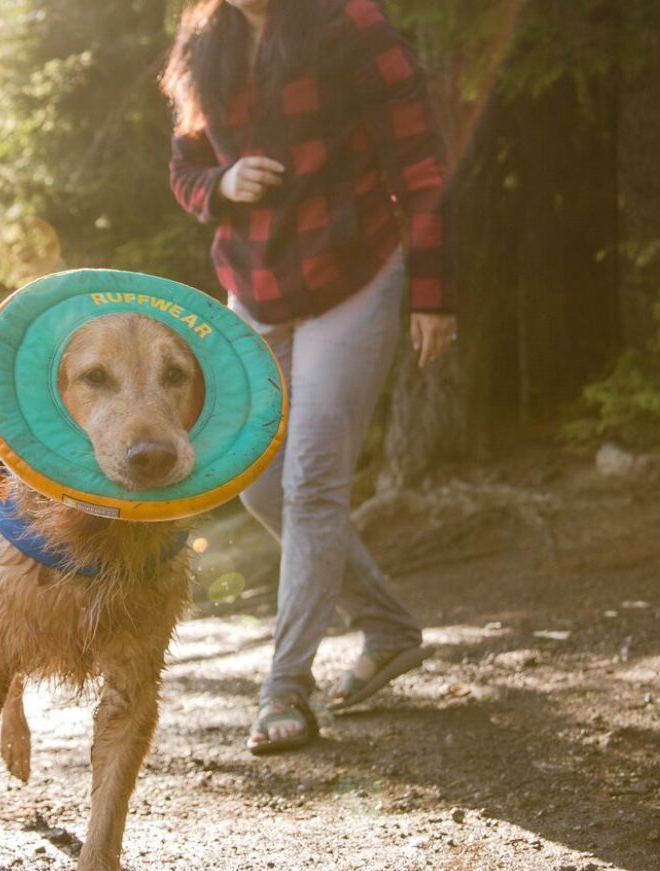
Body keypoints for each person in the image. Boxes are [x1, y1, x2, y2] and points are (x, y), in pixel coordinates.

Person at [162, 0, 457, 754]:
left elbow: (420, 165)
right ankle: (388, 630)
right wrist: (222, 185)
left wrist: (434, 292)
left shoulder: (348, 23)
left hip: (355, 275)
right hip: (257, 289)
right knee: (258, 478)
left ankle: (283, 688)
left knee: (313, 480)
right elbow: (184, 167)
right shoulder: (205, 39)